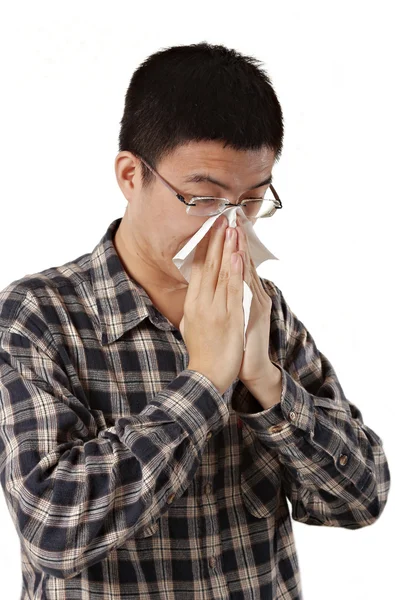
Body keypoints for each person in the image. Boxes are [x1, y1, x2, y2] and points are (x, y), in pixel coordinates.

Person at [0, 42, 390, 600]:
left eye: (252, 200)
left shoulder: (264, 310)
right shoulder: (36, 317)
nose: (230, 227)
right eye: (203, 199)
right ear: (132, 175)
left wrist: (266, 381)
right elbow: (52, 531)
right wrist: (205, 381)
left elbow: (360, 499)